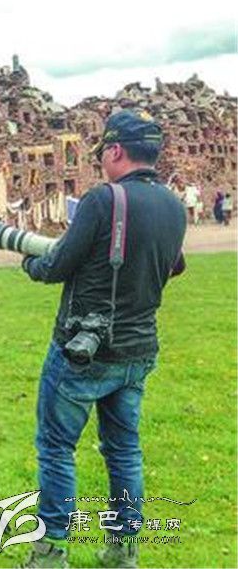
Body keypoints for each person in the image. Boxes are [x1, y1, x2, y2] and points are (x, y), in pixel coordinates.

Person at [19, 110, 186, 568]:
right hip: (138, 349)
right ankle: (122, 550)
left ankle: (50, 553)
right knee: (124, 450)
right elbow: (174, 265)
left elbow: (56, 266)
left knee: (57, 448)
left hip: (84, 351)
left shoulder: (102, 200)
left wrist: (30, 261)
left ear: (114, 151)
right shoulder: (174, 205)